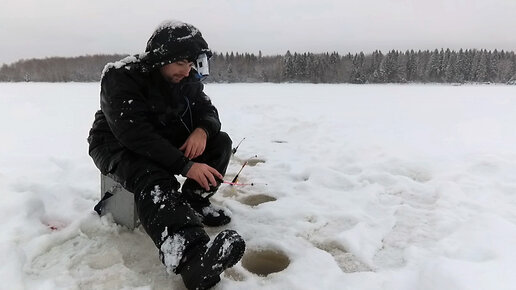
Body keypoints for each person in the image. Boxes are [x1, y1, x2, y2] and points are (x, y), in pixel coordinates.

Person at [87, 20, 245, 290]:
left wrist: (203, 131)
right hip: (115, 143)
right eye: (182, 63)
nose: (188, 71)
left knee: (220, 142)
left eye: (192, 63)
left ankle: (194, 201)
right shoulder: (121, 76)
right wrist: (185, 165)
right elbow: (134, 135)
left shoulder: (187, 80)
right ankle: (191, 258)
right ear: (162, 58)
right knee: (152, 175)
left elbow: (209, 111)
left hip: (161, 137)